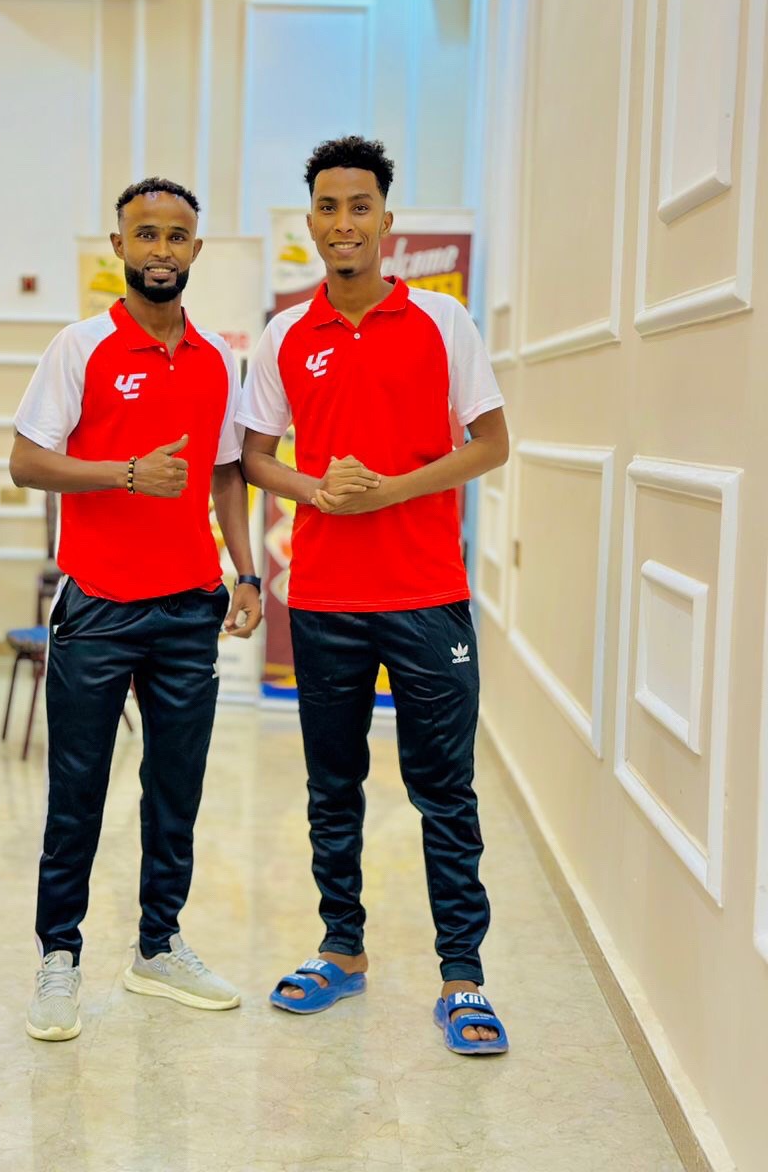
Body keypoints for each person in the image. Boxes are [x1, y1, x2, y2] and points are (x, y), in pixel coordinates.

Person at [238, 136, 511, 1054]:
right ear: (311, 222)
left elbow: (491, 444)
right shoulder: (285, 335)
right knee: (333, 785)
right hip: (324, 597)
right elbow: (254, 458)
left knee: (445, 790)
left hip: (427, 593)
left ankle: (463, 977)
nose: (343, 223)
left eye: (360, 207)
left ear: (386, 221)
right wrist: (317, 491)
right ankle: (342, 949)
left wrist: (390, 489)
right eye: (328, 207)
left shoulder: (443, 322)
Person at [10, 177, 262, 1042]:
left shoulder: (218, 360)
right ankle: (59, 958)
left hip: (190, 609)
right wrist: (124, 473)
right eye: (145, 234)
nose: (161, 249)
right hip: (98, 608)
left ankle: (158, 946)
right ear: (119, 246)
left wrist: (247, 572)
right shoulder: (79, 347)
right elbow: (25, 462)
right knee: (77, 789)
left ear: (197, 249)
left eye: (176, 235)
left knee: (175, 787)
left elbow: (226, 475)